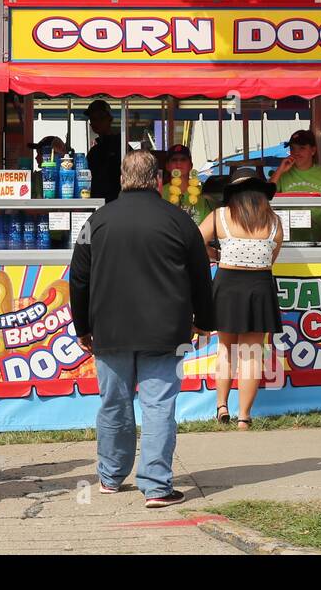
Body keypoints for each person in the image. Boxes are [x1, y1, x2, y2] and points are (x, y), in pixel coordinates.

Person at [70, 150, 214, 508]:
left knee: (114, 404)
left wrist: (83, 326)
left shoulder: (96, 221)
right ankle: (156, 486)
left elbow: (78, 278)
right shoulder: (180, 222)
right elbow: (200, 277)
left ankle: (110, 476)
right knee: (159, 405)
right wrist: (205, 321)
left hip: (110, 329)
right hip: (165, 330)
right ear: (158, 180)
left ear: (121, 179)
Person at [197, 169, 283, 430]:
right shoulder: (275, 221)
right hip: (259, 286)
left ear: (232, 193)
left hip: (227, 285)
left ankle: (221, 405)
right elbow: (272, 256)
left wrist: (213, 253)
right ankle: (244, 417)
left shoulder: (219, 216)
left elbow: (194, 240)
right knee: (251, 355)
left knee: (226, 349)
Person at [271, 128, 321, 242]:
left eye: (302, 148)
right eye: (292, 148)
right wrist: (279, 170)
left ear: (313, 151)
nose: (296, 152)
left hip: (319, 242)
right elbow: (265, 197)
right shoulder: (282, 174)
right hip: (287, 243)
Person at [162, 143, 215, 223]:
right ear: (167, 166)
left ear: (191, 165)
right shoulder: (159, 193)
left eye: (183, 159)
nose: (178, 163)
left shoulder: (205, 193)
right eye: (174, 159)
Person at [84, 99, 122, 203]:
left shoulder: (121, 145)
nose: (96, 122)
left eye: (100, 118)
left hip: (117, 201)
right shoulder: (94, 150)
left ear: (110, 119)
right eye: (92, 118)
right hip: (96, 202)